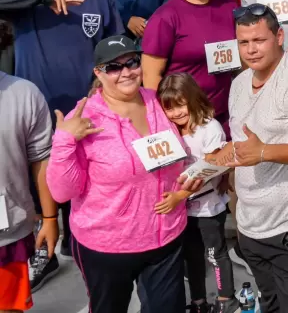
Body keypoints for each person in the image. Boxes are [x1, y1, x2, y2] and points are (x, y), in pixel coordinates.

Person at [206, 4, 288, 313]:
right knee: (270, 306)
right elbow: (242, 148)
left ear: (279, 36)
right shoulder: (239, 83)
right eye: (244, 42)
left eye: (259, 40)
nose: (251, 50)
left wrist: (265, 152)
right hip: (254, 227)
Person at [47, 35, 189, 313]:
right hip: (108, 248)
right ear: (98, 73)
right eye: (113, 67)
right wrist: (63, 140)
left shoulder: (157, 100)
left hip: (166, 238)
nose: (126, 72)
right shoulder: (85, 117)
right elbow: (62, 192)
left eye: (132, 62)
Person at [157, 73, 237, 313]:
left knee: (215, 254)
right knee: (192, 257)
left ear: (193, 98)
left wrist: (180, 195)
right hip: (183, 210)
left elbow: (212, 167)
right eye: (169, 108)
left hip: (208, 207)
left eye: (181, 104)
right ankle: (199, 302)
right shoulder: (168, 131)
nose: (176, 113)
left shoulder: (209, 127)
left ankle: (226, 299)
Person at [141, 0, 239, 129]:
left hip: (226, 115)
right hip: (186, 122)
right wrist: (163, 122)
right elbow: (151, 75)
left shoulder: (229, 7)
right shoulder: (165, 17)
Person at [0, 19, 58, 305]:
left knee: (7, 307)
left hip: (8, 231)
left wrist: (50, 218)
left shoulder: (24, 93)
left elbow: (41, 159)